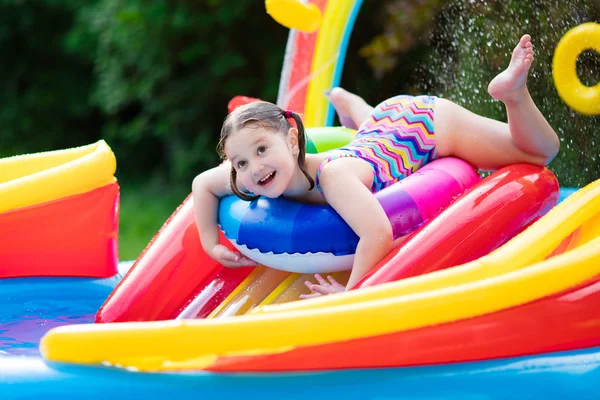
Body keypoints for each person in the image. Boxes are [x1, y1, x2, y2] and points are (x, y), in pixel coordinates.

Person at [192, 34, 560, 299]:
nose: (254, 167)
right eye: (241, 162)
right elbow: (202, 184)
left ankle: (513, 94)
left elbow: (377, 233)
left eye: (261, 150)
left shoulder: (332, 177)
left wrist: (349, 293)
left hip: (422, 128)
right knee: (367, 140)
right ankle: (351, 105)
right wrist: (210, 244)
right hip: (378, 133)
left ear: (292, 141)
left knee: (539, 153)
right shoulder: (253, 174)